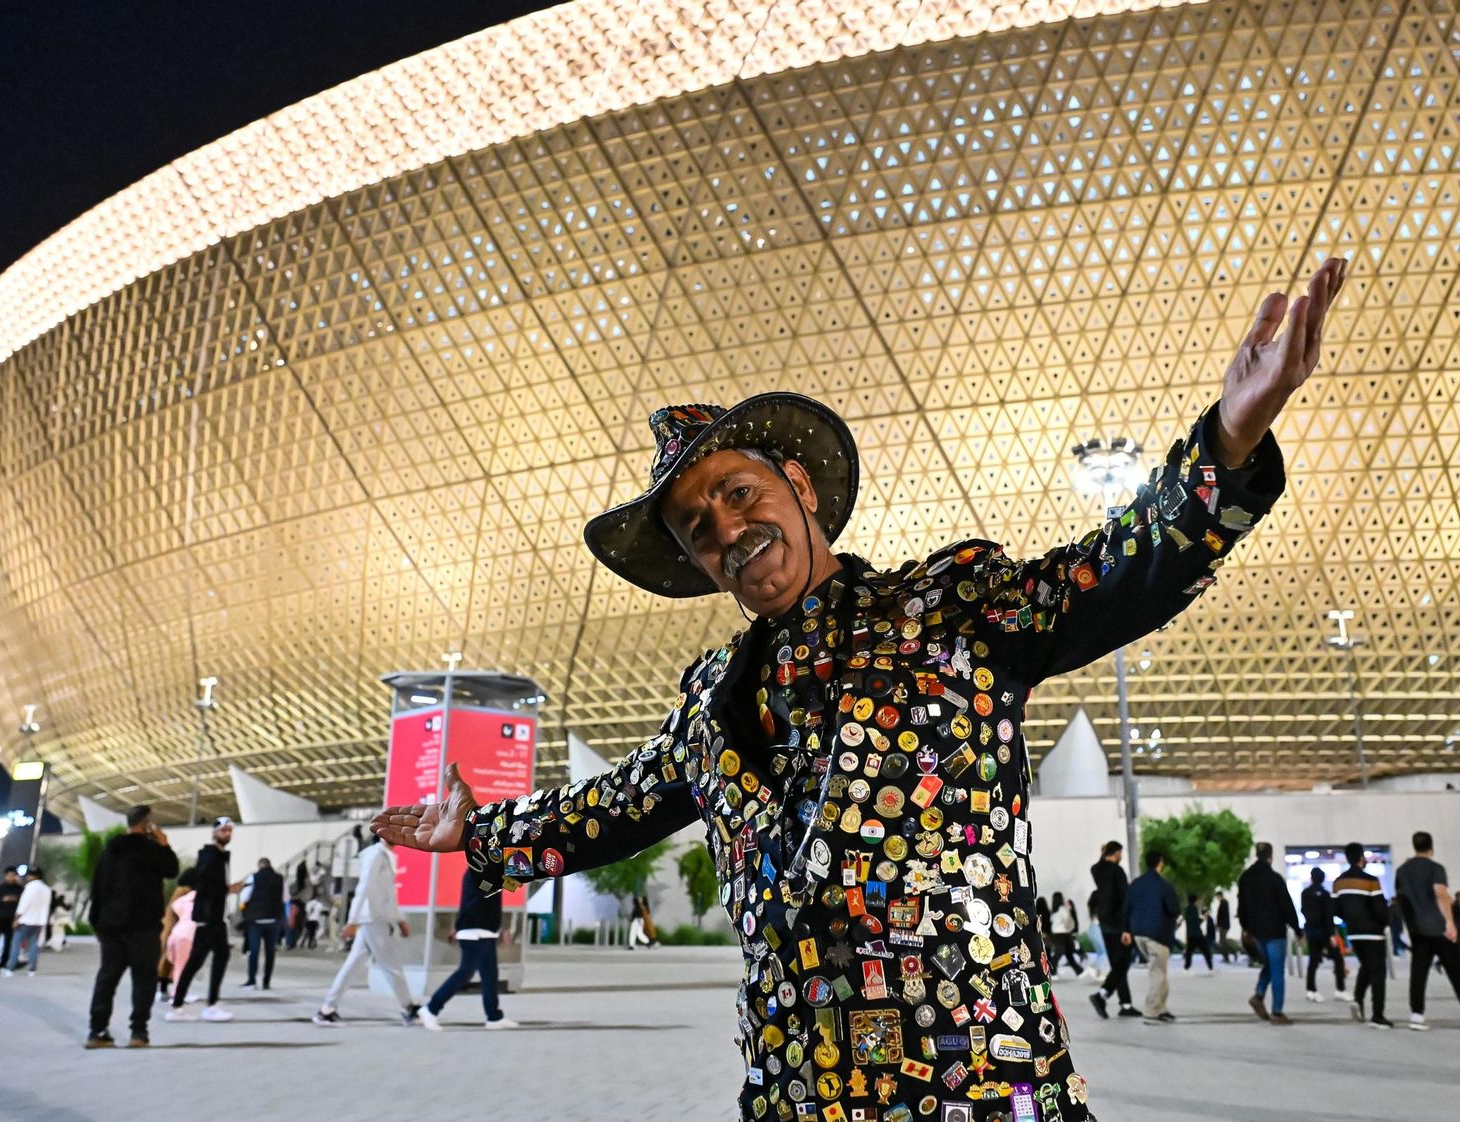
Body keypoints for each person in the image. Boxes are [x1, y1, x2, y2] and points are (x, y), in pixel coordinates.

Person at [374, 260, 1344, 1117]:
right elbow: (612, 808)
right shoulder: (709, 705)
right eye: (696, 527)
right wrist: (477, 833)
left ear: (796, 482)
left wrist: (1223, 443)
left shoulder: (946, 608)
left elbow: (1112, 573)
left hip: (973, 1086)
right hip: (800, 1092)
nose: (725, 528)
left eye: (737, 491)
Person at [87, 804, 180, 1048]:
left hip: (111, 927)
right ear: (148, 824)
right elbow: (172, 870)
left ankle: (97, 1032)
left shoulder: (108, 853)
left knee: (106, 978)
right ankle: (138, 1032)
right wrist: (164, 843)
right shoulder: (151, 850)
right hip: (143, 927)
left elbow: (96, 890)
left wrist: (98, 924)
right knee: (144, 980)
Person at [313, 837, 419, 1026]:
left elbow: (389, 894)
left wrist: (399, 919)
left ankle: (327, 1009)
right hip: (371, 919)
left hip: (375, 918)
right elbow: (364, 888)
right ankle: (408, 1007)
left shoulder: (385, 856)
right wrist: (352, 921)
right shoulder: (375, 855)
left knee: (353, 965)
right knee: (391, 965)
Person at [416, 867, 517, 1031]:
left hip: (486, 930)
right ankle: (431, 1009)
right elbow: (490, 888)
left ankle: (494, 1017)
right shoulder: (478, 870)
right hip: (473, 929)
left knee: (490, 974)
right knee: (465, 971)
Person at [167, 816, 243, 1022]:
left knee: (195, 962)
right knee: (219, 957)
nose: (227, 834)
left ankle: (177, 1006)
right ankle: (211, 1005)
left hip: (209, 917)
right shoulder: (211, 857)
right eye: (223, 831)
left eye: (229, 831)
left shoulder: (218, 856)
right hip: (210, 918)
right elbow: (205, 885)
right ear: (214, 833)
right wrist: (229, 889)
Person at [1395, 830, 1460, 1032]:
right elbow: (1440, 893)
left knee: (1418, 973)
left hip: (1417, 929)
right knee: (1455, 969)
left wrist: (1410, 924)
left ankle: (1417, 1014)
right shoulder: (1435, 868)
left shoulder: (1402, 870)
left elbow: (1401, 899)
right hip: (1438, 927)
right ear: (1431, 848)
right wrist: (1450, 922)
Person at [1237, 841, 1300, 1024]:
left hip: (1255, 932)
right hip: (1275, 931)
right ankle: (1277, 1012)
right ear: (1270, 856)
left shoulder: (1245, 878)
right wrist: (1297, 928)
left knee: (1270, 965)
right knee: (1277, 969)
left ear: (1257, 854)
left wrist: (1246, 927)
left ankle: (1259, 995)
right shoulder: (1275, 879)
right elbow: (1286, 905)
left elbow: (1242, 907)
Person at [1334, 841, 1391, 1029]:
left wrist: (1351, 921)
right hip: (1373, 933)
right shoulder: (1371, 881)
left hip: (1354, 933)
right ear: (1361, 858)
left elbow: (1336, 909)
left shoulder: (1338, 882)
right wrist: (1385, 923)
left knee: (1366, 967)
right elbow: (1380, 909)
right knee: (1378, 973)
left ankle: (1358, 1000)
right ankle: (1377, 1016)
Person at [1088, 841, 1142, 1019]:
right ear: (1116, 853)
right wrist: (1128, 928)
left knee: (1117, 965)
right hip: (1119, 924)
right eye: (1120, 853)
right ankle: (1102, 994)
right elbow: (1125, 900)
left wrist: (1103, 853)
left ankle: (1125, 1004)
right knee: (1123, 962)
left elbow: (1098, 864)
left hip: (1105, 923)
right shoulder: (1117, 872)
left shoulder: (1097, 870)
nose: (1121, 856)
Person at [1126, 850, 1180, 1023]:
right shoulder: (1163, 885)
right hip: (1158, 935)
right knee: (1157, 972)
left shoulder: (1136, 884)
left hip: (1138, 935)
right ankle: (1152, 1011)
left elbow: (1127, 908)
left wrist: (1127, 930)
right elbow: (1173, 909)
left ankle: (1161, 1008)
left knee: (1160, 971)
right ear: (1160, 863)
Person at [1300, 866, 1348, 1003]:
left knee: (1313, 961)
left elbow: (1303, 910)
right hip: (1324, 932)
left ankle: (1311, 990)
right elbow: (1329, 915)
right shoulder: (1326, 895)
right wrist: (1332, 934)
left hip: (1311, 930)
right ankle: (1340, 989)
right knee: (1338, 958)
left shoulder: (1305, 893)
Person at [241, 857, 286, 989]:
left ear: (259, 866)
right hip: (273, 920)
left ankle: (251, 980)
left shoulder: (253, 878)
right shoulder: (280, 879)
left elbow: (244, 897)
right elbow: (285, 898)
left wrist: (244, 911)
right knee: (270, 952)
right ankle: (266, 982)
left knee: (254, 950)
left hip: (256, 920)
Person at [158, 868, 198, 1001]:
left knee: (170, 962)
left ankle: (165, 991)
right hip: (177, 929)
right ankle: (177, 992)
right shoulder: (184, 892)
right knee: (177, 963)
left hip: (173, 928)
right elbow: (174, 912)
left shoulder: (180, 890)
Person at [9, 866, 53, 976]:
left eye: (29, 875)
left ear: (32, 876)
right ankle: (32, 969)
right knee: (34, 945)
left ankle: (10, 968)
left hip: (25, 920)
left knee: (16, 944)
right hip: (39, 921)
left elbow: (23, 905)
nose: (27, 876)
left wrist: (16, 918)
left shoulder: (29, 887)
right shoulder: (47, 889)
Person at [1050, 891, 1085, 976]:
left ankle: (1079, 970)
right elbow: (1068, 920)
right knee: (1060, 952)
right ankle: (1051, 971)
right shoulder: (1062, 909)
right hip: (1063, 933)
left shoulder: (1053, 910)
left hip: (1056, 934)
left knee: (1068, 952)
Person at [1181, 894, 1214, 974]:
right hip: (1197, 934)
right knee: (1205, 950)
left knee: (1189, 952)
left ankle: (1187, 967)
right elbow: (1196, 921)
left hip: (1190, 934)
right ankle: (1210, 967)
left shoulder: (1187, 909)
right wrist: (1203, 918)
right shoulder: (1193, 909)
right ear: (1195, 901)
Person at [1214, 890, 1232, 962]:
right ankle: (1228, 955)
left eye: (1217, 897)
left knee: (1223, 941)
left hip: (1224, 926)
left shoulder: (1224, 903)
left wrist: (1220, 926)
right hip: (1223, 925)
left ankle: (1227, 957)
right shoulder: (1223, 903)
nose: (1217, 898)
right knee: (1223, 941)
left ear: (1220, 896)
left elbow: (1223, 916)